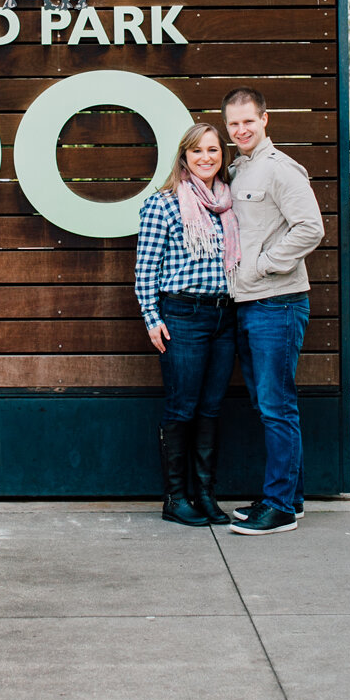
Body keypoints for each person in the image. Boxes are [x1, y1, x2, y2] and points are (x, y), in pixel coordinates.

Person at [222, 87, 324, 536]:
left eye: (248, 121)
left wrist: (262, 266)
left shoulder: (280, 170)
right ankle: (291, 498)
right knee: (272, 403)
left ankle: (279, 506)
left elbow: (311, 228)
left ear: (266, 119)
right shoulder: (239, 169)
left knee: (275, 407)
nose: (241, 130)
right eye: (233, 124)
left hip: (277, 303)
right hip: (250, 304)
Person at [135, 122, 240, 527]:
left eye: (213, 151)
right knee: (183, 407)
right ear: (184, 157)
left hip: (224, 316)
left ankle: (206, 495)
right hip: (182, 317)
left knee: (212, 409)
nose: (206, 158)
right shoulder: (162, 204)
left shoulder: (228, 205)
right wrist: (151, 317)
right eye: (197, 151)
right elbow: (146, 268)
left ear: (222, 156)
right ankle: (176, 498)